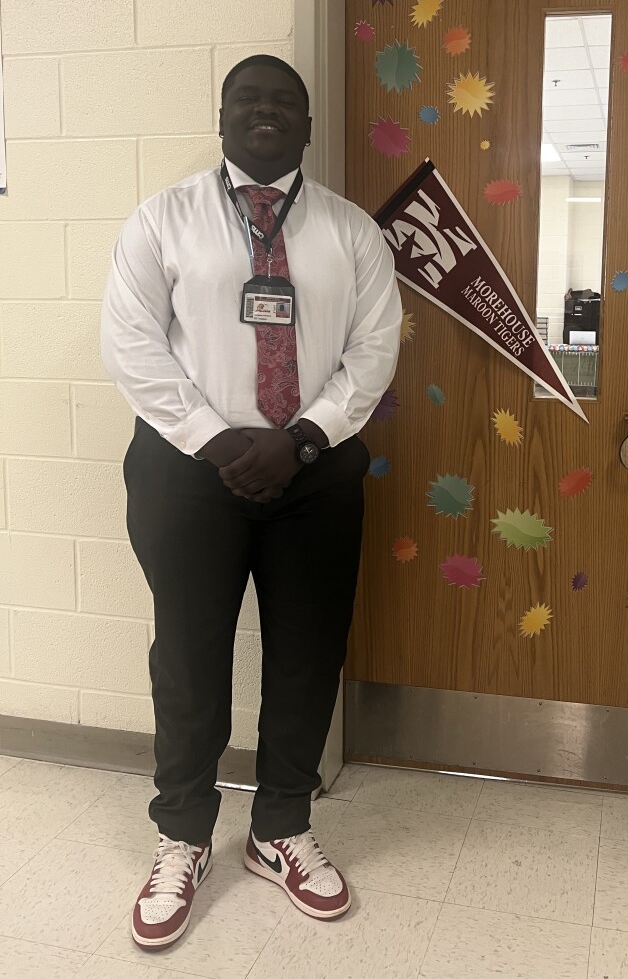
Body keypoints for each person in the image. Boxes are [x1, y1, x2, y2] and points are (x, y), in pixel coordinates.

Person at [101, 54, 401, 950]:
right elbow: (132, 343)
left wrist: (302, 440)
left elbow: (375, 350)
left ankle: (279, 828)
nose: (265, 113)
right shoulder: (165, 220)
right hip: (190, 469)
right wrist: (219, 440)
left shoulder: (350, 232)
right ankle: (183, 835)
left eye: (283, 103)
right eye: (248, 100)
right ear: (223, 116)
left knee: (309, 653)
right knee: (188, 654)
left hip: (315, 470)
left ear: (307, 126)